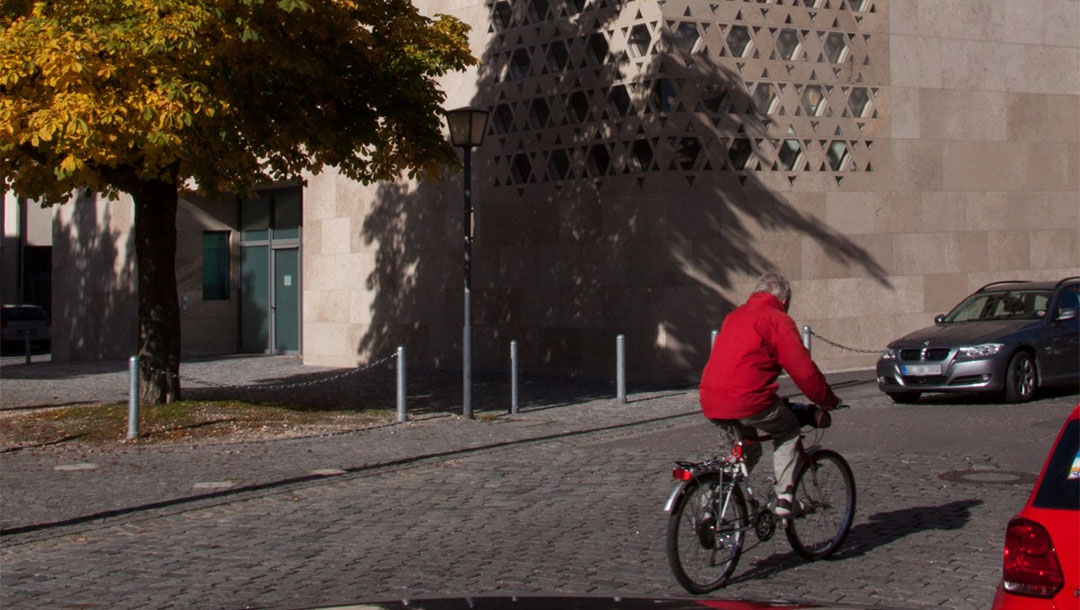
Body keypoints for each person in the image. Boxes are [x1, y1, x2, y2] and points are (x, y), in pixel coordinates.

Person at [699, 272, 841, 517]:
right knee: (787, 431)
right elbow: (803, 371)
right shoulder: (777, 319)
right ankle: (785, 498)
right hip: (749, 400)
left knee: (746, 449)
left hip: (711, 399)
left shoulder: (734, 315)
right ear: (784, 299)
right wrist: (827, 399)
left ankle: (710, 501)